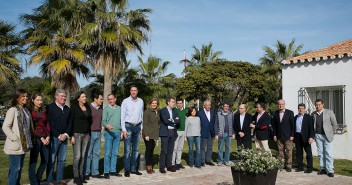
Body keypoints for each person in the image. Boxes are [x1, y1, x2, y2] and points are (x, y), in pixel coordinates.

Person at [2, 89, 34, 185]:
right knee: (15, 169)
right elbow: (5, 127)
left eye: (26, 96)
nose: (26, 98)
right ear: (17, 98)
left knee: (19, 168)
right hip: (15, 146)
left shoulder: (25, 110)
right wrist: (16, 139)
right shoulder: (13, 110)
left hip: (23, 145)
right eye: (23, 96)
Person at [46, 89, 72, 185]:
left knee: (62, 160)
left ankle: (60, 179)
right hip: (54, 138)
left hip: (64, 138)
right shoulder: (50, 108)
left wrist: (65, 134)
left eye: (65, 96)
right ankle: (49, 180)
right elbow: (48, 124)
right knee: (52, 160)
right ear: (56, 97)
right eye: (61, 96)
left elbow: (70, 123)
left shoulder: (67, 109)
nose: (63, 98)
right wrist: (58, 135)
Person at [121, 86, 144, 177]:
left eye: (135, 90)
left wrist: (141, 128)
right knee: (127, 150)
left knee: (136, 149)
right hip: (128, 126)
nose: (133, 92)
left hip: (138, 127)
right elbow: (122, 116)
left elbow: (141, 115)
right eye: (132, 90)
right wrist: (123, 130)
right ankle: (127, 170)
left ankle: (133, 169)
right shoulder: (125, 101)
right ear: (130, 91)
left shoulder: (141, 101)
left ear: (137, 91)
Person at [28, 93, 50, 185]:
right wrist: (41, 138)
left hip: (46, 138)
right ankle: (34, 182)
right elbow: (32, 127)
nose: (40, 102)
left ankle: (38, 178)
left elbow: (47, 124)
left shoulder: (44, 111)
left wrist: (48, 136)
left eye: (41, 100)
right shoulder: (30, 111)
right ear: (33, 100)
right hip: (36, 139)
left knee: (45, 160)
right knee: (33, 161)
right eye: (38, 100)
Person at [312, 99, 337, 177]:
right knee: (320, 153)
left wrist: (331, 133)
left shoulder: (329, 112)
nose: (317, 106)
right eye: (316, 105)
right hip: (318, 135)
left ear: (323, 105)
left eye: (319, 104)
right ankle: (322, 168)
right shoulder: (313, 114)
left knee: (328, 153)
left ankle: (330, 170)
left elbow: (334, 124)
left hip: (327, 136)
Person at [70, 92, 91, 184]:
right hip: (76, 134)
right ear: (78, 98)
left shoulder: (88, 107)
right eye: (83, 97)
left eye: (85, 96)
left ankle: (81, 175)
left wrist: (89, 133)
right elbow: (70, 122)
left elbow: (89, 121)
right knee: (77, 156)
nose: (85, 98)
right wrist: (71, 136)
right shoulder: (74, 108)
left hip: (86, 134)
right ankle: (76, 176)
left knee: (83, 156)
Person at [102, 94, 123, 179]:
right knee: (107, 153)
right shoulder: (106, 109)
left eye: (112, 99)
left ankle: (113, 171)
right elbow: (103, 121)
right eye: (109, 99)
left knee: (115, 153)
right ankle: (106, 172)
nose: (110, 101)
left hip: (117, 133)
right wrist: (107, 126)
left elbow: (122, 121)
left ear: (115, 99)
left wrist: (121, 132)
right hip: (109, 133)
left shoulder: (120, 109)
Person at [85, 92, 104, 179]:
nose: (102, 100)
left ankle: (95, 172)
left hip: (98, 133)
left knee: (96, 153)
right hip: (90, 133)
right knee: (88, 154)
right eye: (101, 99)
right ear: (95, 99)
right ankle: (86, 173)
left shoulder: (101, 109)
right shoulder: (88, 108)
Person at [272, 99, 294, 172]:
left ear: (284, 105)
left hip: (288, 136)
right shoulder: (275, 113)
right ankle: (281, 165)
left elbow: (292, 125)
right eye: (279, 104)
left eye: (282, 104)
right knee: (280, 151)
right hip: (279, 136)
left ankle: (289, 166)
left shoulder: (290, 113)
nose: (280, 105)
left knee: (288, 151)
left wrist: (292, 135)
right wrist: (274, 135)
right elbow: (274, 125)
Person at [159, 97, 179, 173]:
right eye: (172, 102)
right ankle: (162, 167)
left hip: (172, 132)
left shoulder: (174, 111)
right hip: (165, 132)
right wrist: (173, 121)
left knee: (170, 150)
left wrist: (171, 120)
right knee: (164, 150)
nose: (173, 103)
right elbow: (165, 121)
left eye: (174, 102)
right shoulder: (163, 110)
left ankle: (169, 166)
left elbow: (178, 121)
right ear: (168, 102)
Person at [294, 103, 314, 173]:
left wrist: (311, 137)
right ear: (298, 109)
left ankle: (309, 168)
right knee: (299, 153)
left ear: (304, 109)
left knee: (308, 153)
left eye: (302, 108)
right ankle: (300, 167)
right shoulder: (295, 117)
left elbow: (311, 128)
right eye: (299, 108)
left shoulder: (309, 117)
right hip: (297, 137)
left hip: (306, 137)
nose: (301, 110)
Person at [142, 98, 160, 174]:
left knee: (152, 151)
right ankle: (148, 166)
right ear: (150, 104)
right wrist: (146, 135)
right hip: (148, 134)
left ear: (157, 105)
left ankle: (150, 165)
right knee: (148, 150)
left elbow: (158, 123)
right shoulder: (147, 112)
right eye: (153, 103)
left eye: (155, 103)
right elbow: (145, 124)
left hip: (154, 134)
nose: (154, 104)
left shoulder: (157, 112)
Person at [198, 100, 216, 166]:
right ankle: (202, 161)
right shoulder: (200, 113)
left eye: (209, 105)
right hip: (203, 132)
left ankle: (208, 160)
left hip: (211, 132)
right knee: (202, 147)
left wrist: (215, 132)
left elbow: (214, 122)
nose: (208, 106)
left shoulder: (213, 112)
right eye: (207, 105)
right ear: (204, 105)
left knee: (210, 147)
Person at [172, 98, 187, 170]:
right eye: (178, 103)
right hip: (176, 131)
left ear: (182, 104)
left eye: (180, 103)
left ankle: (178, 163)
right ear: (176, 104)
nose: (179, 104)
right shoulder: (174, 110)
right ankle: (172, 163)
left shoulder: (185, 111)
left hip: (183, 131)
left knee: (180, 148)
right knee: (174, 148)